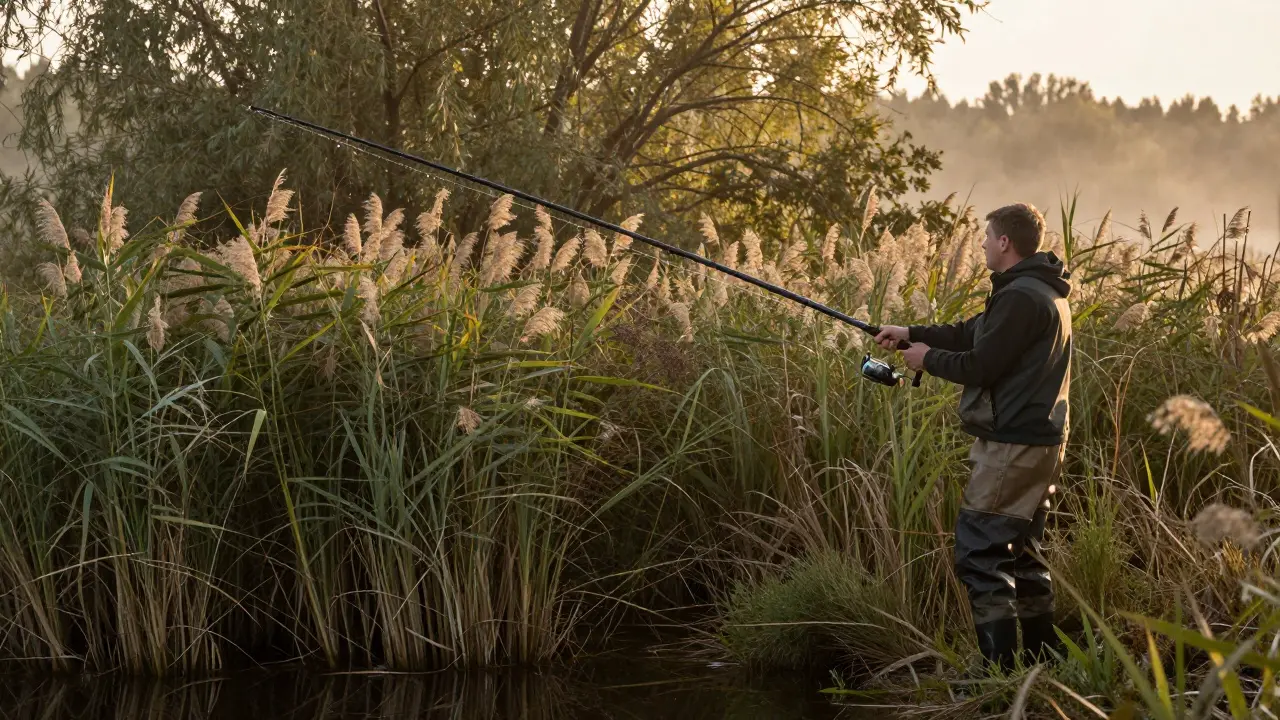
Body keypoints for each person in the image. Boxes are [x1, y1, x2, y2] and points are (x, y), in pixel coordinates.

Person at [874, 203, 1072, 673]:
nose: (982, 243)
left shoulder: (1022, 297)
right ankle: (1043, 658)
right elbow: (975, 334)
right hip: (1037, 441)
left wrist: (926, 359)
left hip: (1012, 445)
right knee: (1022, 551)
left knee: (982, 553)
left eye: (987, 236)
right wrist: (911, 333)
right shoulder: (1037, 291)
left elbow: (981, 364)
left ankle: (996, 674)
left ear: (1005, 242)